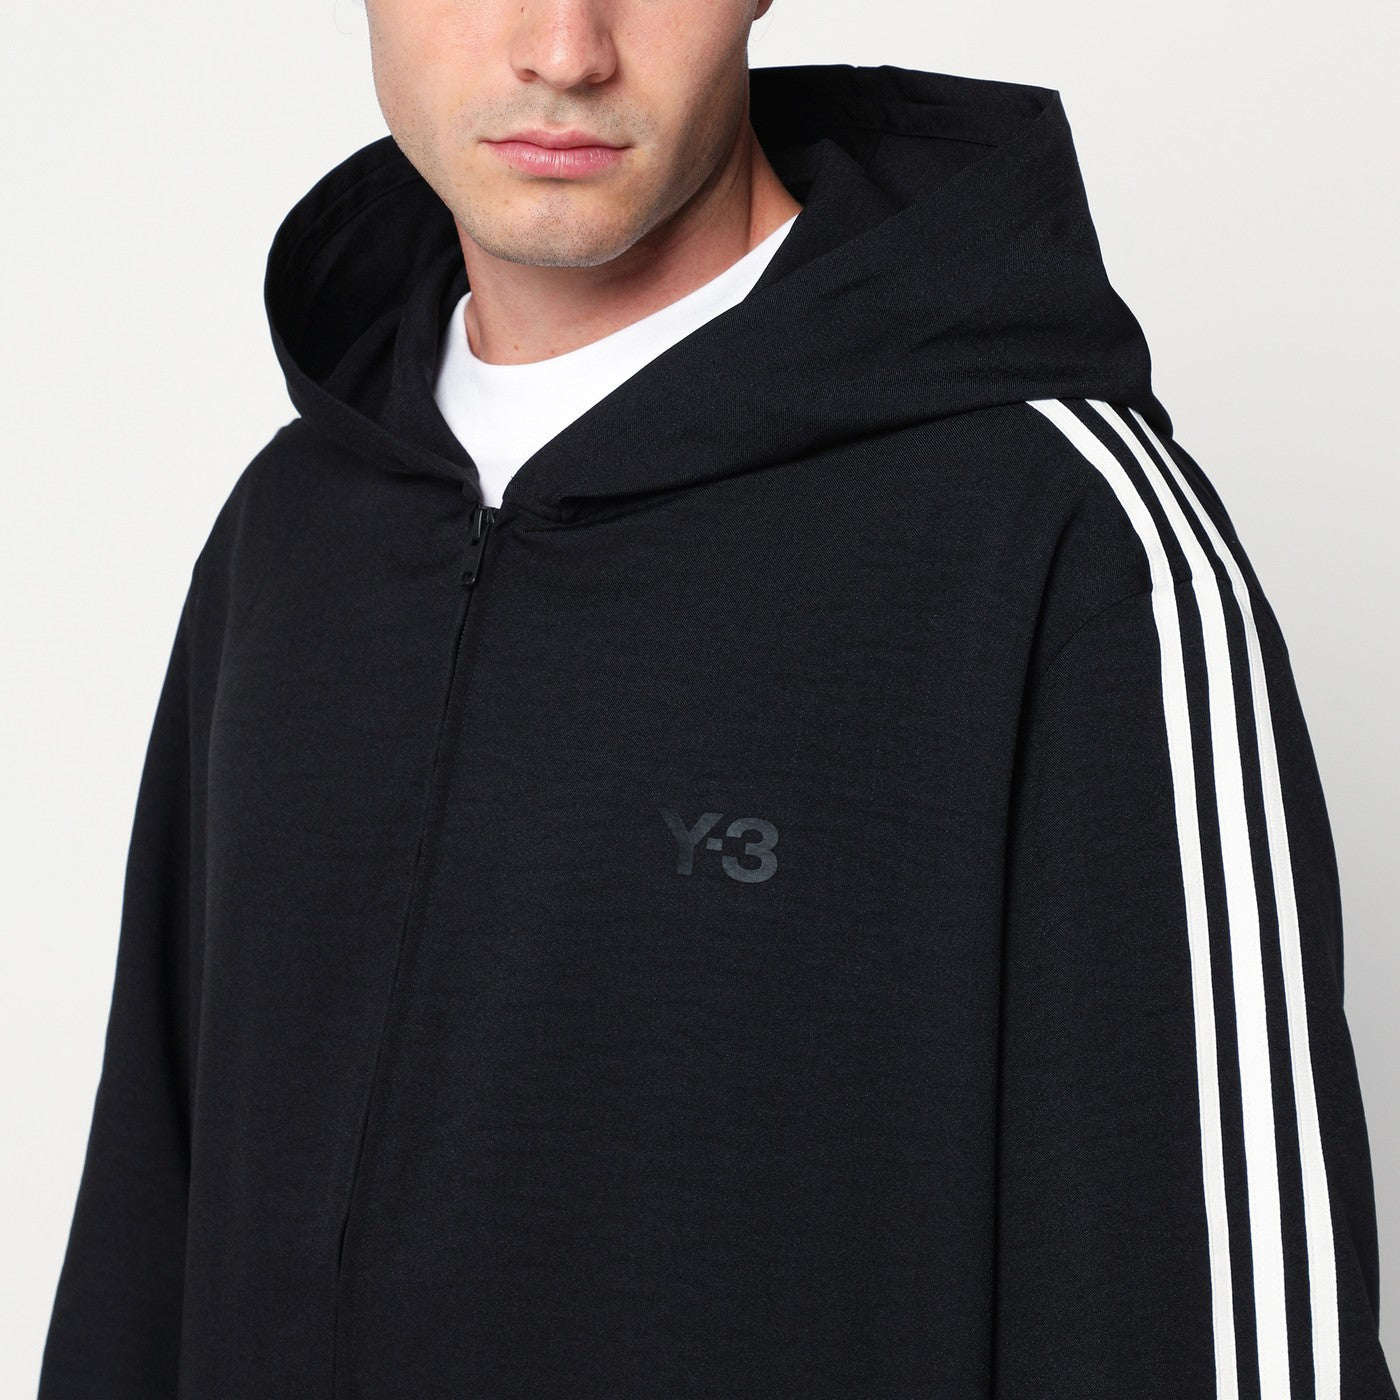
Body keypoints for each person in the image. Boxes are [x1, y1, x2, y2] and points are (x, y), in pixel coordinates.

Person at [36, 1, 1398, 1396]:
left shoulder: (1062, 539)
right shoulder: (293, 527)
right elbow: (149, 1214)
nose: (566, 49)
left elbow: (1222, 1330)